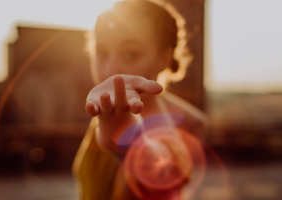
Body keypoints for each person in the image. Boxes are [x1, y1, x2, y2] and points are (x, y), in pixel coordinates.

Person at [72, 0, 208, 199]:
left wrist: (127, 137)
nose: (111, 71)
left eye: (130, 54)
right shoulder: (106, 106)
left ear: (164, 58)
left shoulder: (188, 123)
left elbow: (163, 176)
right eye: (101, 53)